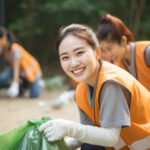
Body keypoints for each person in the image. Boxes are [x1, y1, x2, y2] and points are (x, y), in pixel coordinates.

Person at [39, 24, 150, 150]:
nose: (74, 63)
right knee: (90, 145)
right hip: (127, 146)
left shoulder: (111, 83)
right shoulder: (81, 91)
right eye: (65, 57)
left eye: (79, 53)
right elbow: (89, 131)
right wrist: (66, 145)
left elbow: (110, 137)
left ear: (97, 52)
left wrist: (68, 128)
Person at [96, 14, 150, 91]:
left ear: (123, 41)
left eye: (110, 49)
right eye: (103, 50)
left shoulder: (147, 52)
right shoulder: (118, 65)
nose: (108, 55)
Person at [0, 27, 43, 98]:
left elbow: (16, 68)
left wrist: (15, 84)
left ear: (4, 38)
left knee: (34, 95)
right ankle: (20, 89)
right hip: (20, 72)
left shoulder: (15, 48)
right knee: (2, 78)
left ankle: (39, 84)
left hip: (32, 73)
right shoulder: (4, 48)